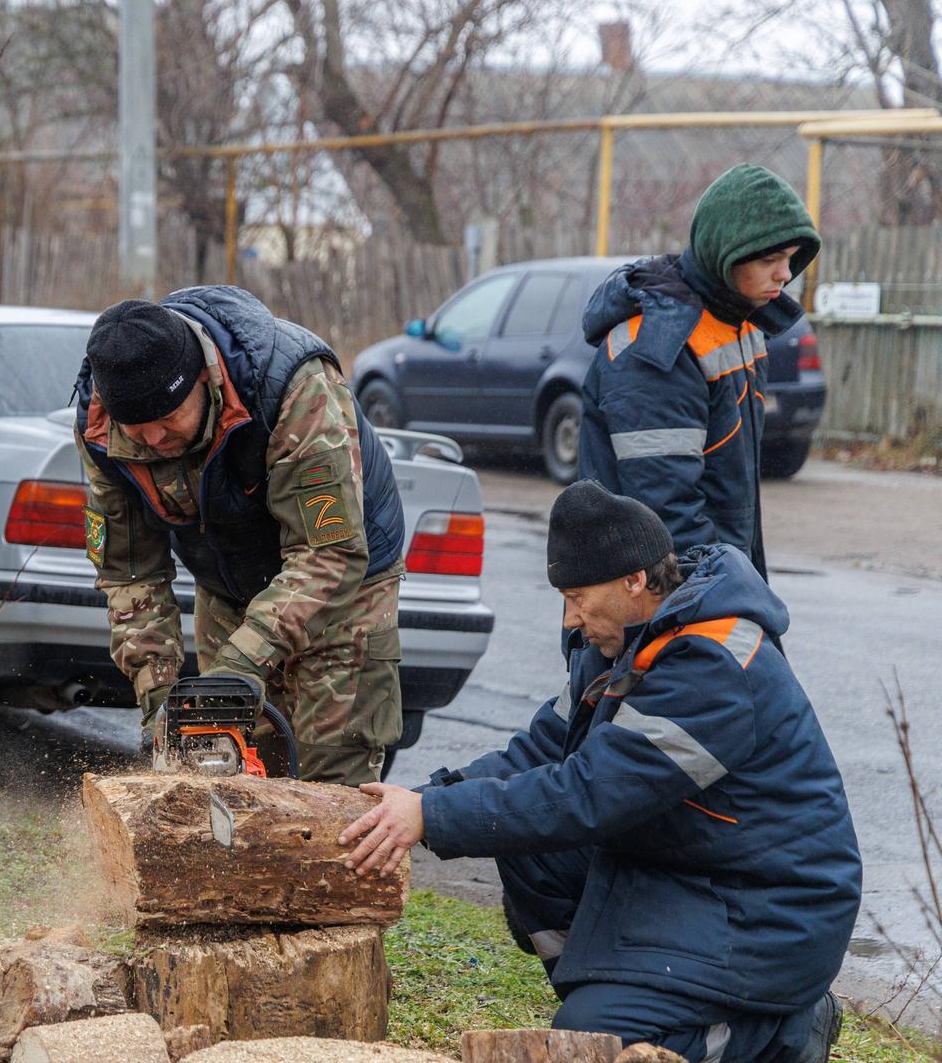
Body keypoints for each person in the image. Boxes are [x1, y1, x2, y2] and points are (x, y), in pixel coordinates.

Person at [339, 481, 859, 1062]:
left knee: (598, 1038)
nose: (570, 618)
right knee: (529, 853)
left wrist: (432, 817)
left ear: (634, 580)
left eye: (578, 596)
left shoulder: (713, 665)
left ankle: (784, 1030)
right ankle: (613, 988)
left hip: (774, 906)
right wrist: (421, 799)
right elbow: (538, 753)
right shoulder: (620, 645)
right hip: (694, 866)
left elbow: (588, 794)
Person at [73, 287, 406, 785]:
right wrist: (159, 702)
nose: (154, 441)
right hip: (228, 583)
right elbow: (129, 573)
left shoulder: (295, 390)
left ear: (202, 382)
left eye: (167, 422)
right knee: (225, 765)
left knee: (329, 779)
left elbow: (330, 554)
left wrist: (240, 664)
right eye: (137, 431)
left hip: (343, 585)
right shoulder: (102, 431)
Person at [580, 163, 820, 579]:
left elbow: (730, 496)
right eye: (769, 259)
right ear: (724, 256)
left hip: (714, 580)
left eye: (789, 259)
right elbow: (665, 515)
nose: (785, 274)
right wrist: (728, 596)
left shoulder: (739, 321)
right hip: (653, 604)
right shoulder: (658, 345)